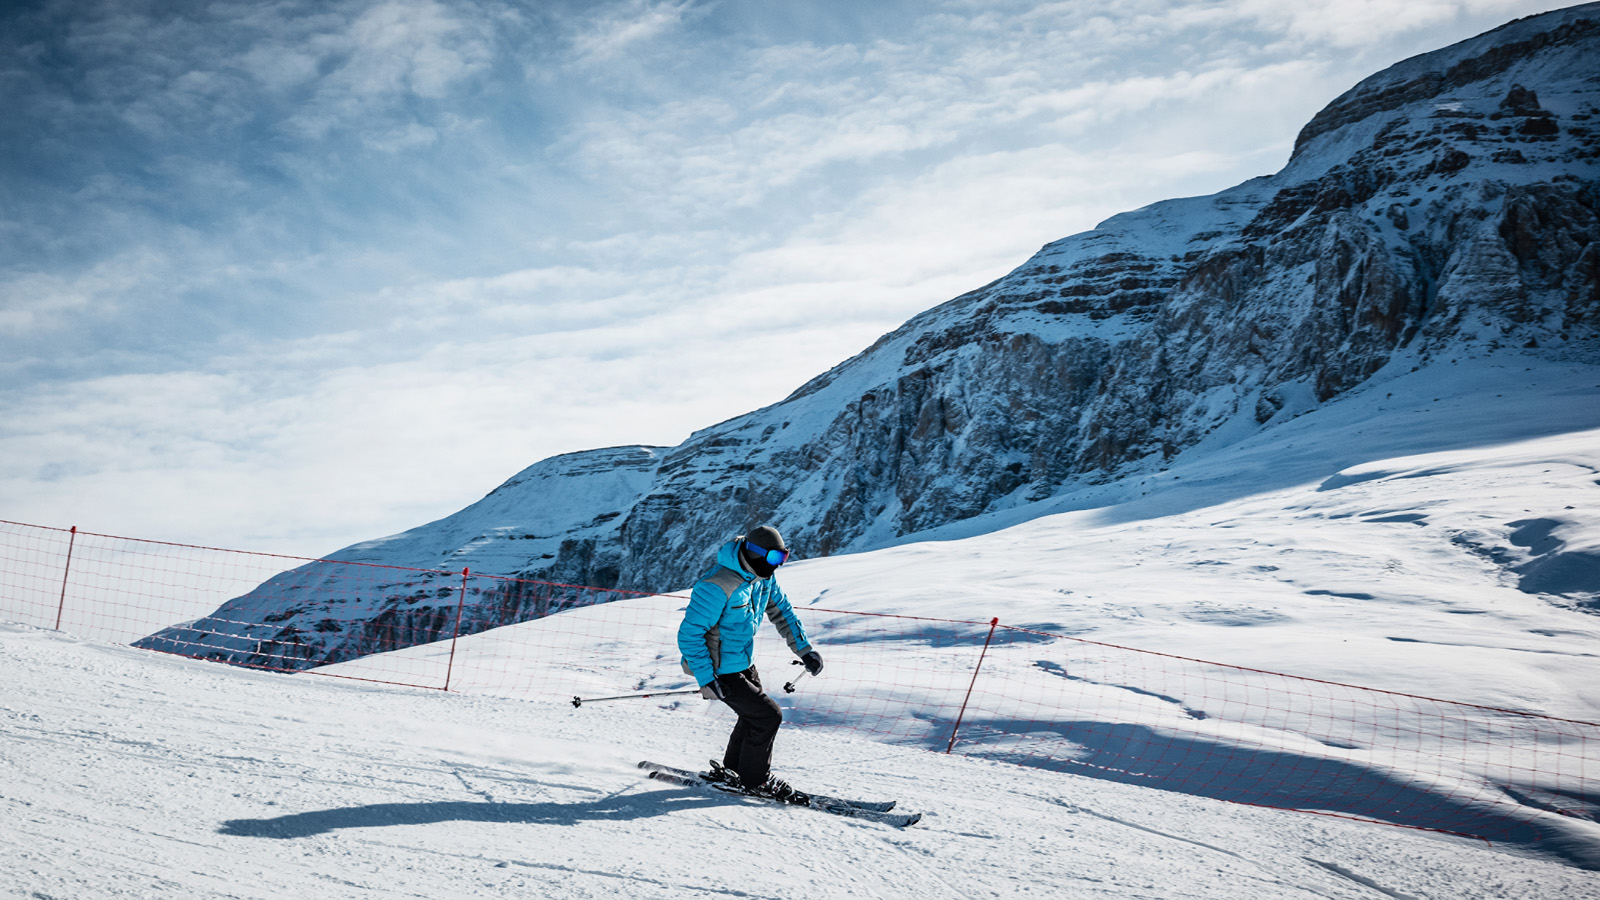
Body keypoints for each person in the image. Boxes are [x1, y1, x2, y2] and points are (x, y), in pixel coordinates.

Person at [677, 524, 823, 802]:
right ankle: (756, 781)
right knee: (769, 716)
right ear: (754, 553)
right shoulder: (717, 585)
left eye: (783, 559)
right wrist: (706, 678)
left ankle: (733, 772)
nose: (777, 566)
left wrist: (804, 650)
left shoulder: (763, 578)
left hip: (743, 662)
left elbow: (783, 613)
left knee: (753, 716)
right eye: (773, 559)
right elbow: (689, 635)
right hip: (719, 669)